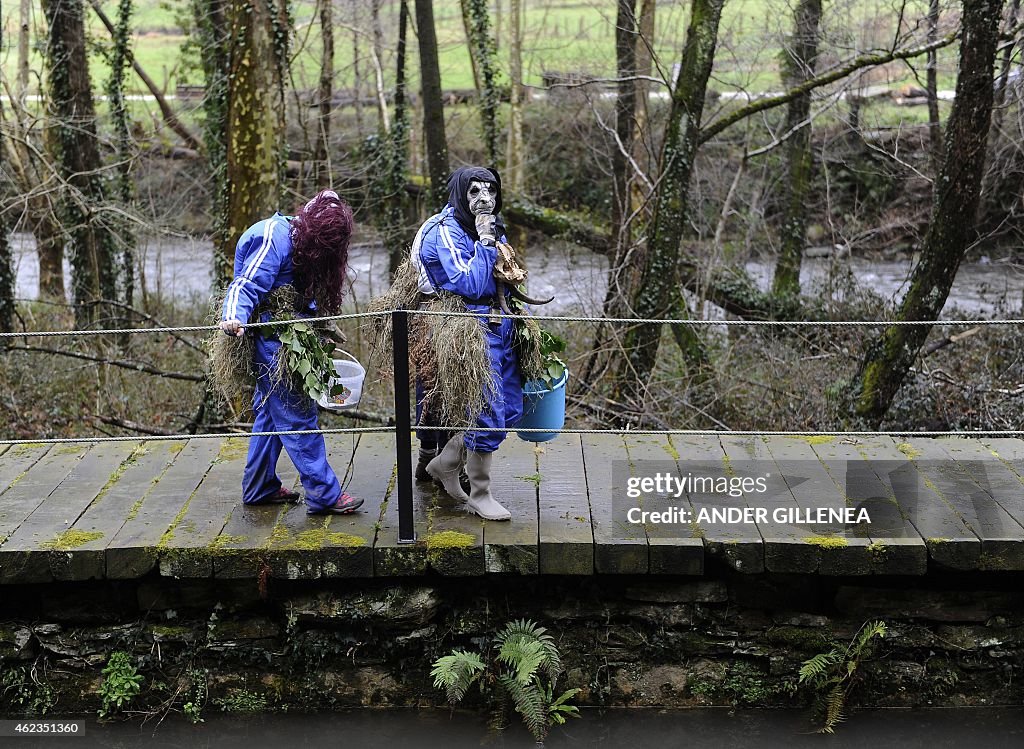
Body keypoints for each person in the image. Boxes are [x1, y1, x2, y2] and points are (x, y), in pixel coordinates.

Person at [219, 190, 364, 515]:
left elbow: (305, 295)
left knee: (272, 414)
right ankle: (324, 495)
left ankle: (259, 488)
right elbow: (246, 284)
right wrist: (234, 317)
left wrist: (321, 327)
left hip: (293, 333)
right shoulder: (274, 238)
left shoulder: (312, 250)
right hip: (273, 337)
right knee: (298, 414)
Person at [410, 166, 524, 521]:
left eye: (490, 190)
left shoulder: (490, 223)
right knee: (487, 410)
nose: (484, 199)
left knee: (511, 408)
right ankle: (480, 492)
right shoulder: (445, 233)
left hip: (499, 323)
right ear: (461, 194)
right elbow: (472, 284)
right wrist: (486, 240)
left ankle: (445, 464)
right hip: (467, 328)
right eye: (474, 192)